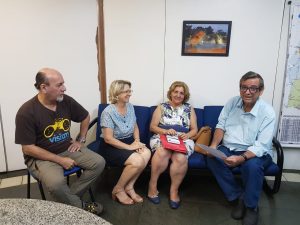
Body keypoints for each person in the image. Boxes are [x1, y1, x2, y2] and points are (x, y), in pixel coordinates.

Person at [15, 68, 105, 215]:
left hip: (67, 148)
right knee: (56, 184)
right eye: (59, 85)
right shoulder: (26, 112)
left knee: (99, 163)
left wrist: (80, 140)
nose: (64, 88)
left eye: (63, 83)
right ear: (44, 87)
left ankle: (67, 202)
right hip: (41, 156)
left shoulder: (65, 100)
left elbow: (85, 116)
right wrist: (60, 160)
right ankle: (81, 207)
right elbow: (28, 149)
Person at [206, 71, 276, 225]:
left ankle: (251, 207)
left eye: (253, 88)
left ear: (261, 91)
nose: (247, 92)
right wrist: (213, 146)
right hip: (229, 147)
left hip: (256, 151)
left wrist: (242, 158)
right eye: (244, 87)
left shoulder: (267, 112)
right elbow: (220, 126)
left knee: (251, 166)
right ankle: (239, 197)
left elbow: (262, 144)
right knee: (212, 158)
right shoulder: (232, 103)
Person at [147, 81, 198, 209]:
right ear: (171, 92)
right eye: (176, 92)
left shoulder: (189, 108)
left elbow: (194, 129)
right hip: (162, 136)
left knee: (180, 158)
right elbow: (152, 127)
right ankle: (152, 186)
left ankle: (174, 191)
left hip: (183, 138)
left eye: (182, 93)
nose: (178, 95)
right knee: (162, 152)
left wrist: (187, 135)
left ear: (185, 95)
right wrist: (165, 131)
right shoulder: (161, 107)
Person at [100, 80, 151, 205]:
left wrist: (137, 141)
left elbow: (135, 126)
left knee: (146, 153)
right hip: (111, 145)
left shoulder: (130, 106)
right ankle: (118, 189)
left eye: (130, 91)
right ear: (117, 93)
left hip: (129, 141)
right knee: (137, 161)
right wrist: (129, 147)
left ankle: (129, 187)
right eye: (126, 91)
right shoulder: (108, 112)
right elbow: (108, 139)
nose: (129, 94)